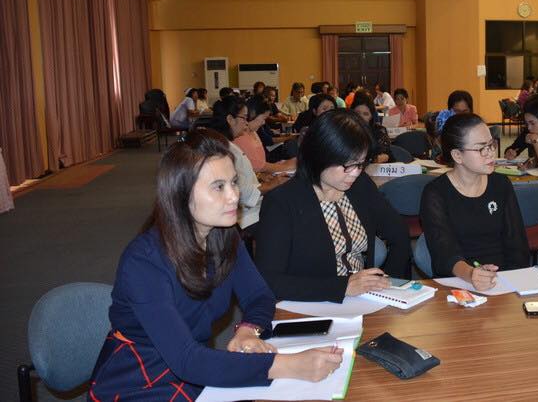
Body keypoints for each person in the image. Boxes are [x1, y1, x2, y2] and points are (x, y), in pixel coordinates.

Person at [88, 130, 344, 400]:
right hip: (140, 381)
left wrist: (248, 330)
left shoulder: (224, 236)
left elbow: (259, 296)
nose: (234, 196)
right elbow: (186, 359)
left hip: (198, 368)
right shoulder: (143, 262)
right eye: (218, 187)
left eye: (234, 182)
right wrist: (289, 366)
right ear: (181, 194)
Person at [251, 110, 411, 302]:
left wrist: (389, 284)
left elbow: (398, 233)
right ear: (320, 156)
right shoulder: (282, 203)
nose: (355, 173)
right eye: (347, 165)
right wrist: (343, 287)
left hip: (362, 300)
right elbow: (269, 279)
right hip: (309, 303)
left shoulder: (360, 185)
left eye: (361, 164)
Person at [420, 113, 529, 289]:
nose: (491, 153)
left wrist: (514, 284)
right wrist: (471, 274)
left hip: (503, 280)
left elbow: (517, 245)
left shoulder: (501, 184)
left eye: (491, 145)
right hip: (458, 282)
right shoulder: (436, 193)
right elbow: (444, 254)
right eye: (481, 149)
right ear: (457, 155)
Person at [212, 96, 287, 228]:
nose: (246, 123)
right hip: (247, 217)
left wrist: (259, 177)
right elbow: (244, 194)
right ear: (230, 119)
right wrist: (274, 183)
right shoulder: (226, 150)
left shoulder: (227, 144)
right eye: (244, 118)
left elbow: (241, 177)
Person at [350, 93, 393, 163]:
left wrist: (385, 157)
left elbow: (389, 156)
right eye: (357, 113)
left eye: (365, 114)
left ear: (371, 116)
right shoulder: (345, 131)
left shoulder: (379, 131)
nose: (361, 117)